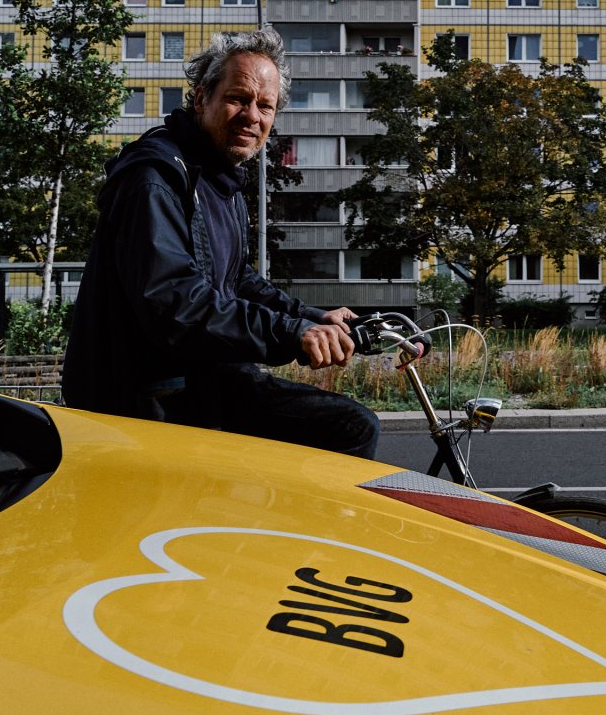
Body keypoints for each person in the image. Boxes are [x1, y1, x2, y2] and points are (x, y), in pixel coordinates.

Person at [62, 28, 379, 460]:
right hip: (148, 395)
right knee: (348, 428)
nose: (252, 116)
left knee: (344, 424)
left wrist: (312, 316)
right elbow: (175, 303)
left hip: (197, 375)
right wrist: (293, 333)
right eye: (238, 98)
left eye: (265, 106)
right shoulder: (157, 179)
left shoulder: (218, 180)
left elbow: (235, 279)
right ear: (200, 99)